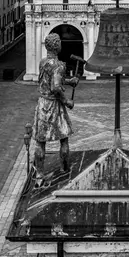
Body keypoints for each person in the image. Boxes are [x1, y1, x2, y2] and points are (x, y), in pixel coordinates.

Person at [33, 33, 78, 180]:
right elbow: (56, 87)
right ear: (56, 44)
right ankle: (64, 168)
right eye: (59, 42)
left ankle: (39, 172)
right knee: (64, 137)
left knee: (41, 141)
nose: (61, 45)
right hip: (54, 105)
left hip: (42, 103)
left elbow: (53, 79)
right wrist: (67, 102)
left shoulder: (43, 62)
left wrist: (69, 80)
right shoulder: (59, 66)